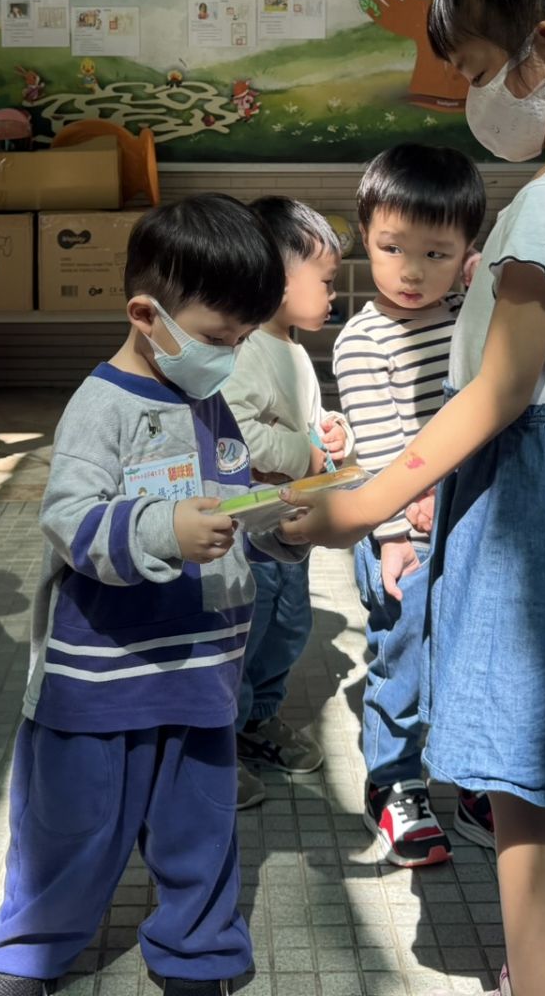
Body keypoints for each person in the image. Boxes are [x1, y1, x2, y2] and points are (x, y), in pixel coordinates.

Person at [283, 0, 545, 996]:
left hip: (533, 507)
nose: (470, 93)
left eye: (473, 67)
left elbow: (501, 392)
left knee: (519, 773)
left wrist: (362, 504)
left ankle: (544, 981)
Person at [0, 196, 307, 996]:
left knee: (199, 826)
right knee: (68, 828)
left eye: (241, 340)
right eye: (218, 338)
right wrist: (163, 529)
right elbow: (69, 521)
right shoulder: (102, 404)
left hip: (200, 670)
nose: (229, 357)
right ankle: (29, 953)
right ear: (145, 315)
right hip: (99, 677)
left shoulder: (210, 402)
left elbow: (229, 508)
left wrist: (281, 526)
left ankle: (198, 951)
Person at [332, 143, 495, 866]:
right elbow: (377, 450)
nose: (411, 271)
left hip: (465, 518)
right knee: (401, 651)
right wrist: (393, 533)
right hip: (399, 533)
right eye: (392, 248)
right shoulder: (364, 342)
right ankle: (394, 782)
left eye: (436, 254)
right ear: (364, 238)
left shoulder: (468, 314)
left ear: (466, 255)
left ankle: (470, 777)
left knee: (470, 648)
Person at [221, 199, 350, 808]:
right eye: (325, 281)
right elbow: (238, 434)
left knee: (288, 626)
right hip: (251, 531)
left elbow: (307, 422)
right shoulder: (245, 350)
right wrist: (307, 452)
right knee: (246, 634)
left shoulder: (292, 348)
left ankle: (257, 720)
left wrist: (333, 431)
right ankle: (219, 740)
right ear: (274, 278)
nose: (333, 294)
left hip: (289, 526)